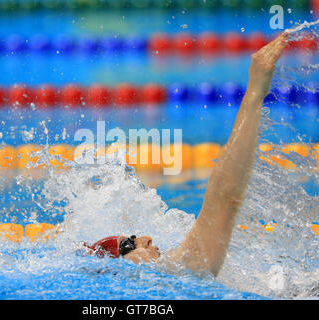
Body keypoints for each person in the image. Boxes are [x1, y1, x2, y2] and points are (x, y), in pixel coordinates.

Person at [84, 31, 291, 277]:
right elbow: (225, 198)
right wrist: (255, 93)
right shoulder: (178, 271)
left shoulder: (167, 279)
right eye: (129, 245)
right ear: (120, 270)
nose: (147, 238)